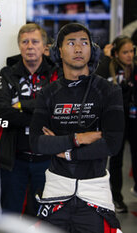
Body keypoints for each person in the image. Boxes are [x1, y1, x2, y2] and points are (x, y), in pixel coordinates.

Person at [29, 23, 123, 232]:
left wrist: (66, 152)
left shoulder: (109, 91)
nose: (79, 49)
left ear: (93, 49)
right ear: (58, 51)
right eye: (71, 43)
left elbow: (112, 144)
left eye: (84, 42)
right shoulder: (48, 93)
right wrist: (77, 139)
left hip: (95, 191)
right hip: (56, 190)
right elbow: (36, 143)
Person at [0, 23, 58, 215]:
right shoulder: (7, 73)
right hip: (15, 159)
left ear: (44, 47)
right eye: (25, 41)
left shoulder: (56, 72)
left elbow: (57, 109)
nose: (30, 46)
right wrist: (40, 117)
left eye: (35, 41)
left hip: (48, 160)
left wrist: (22, 105)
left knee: (44, 217)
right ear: (19, 45)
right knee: (10, 216)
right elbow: (1, 111)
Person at [96, 35, 137, 209]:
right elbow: (96, 79)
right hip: (116, 122)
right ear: (117, 53)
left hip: (134, 121)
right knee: (116, 159)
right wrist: (107, 57)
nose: (129, 55)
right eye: (125, 52)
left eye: (131, 51)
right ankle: (117, 197)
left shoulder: (135, 67)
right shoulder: (109, 67)